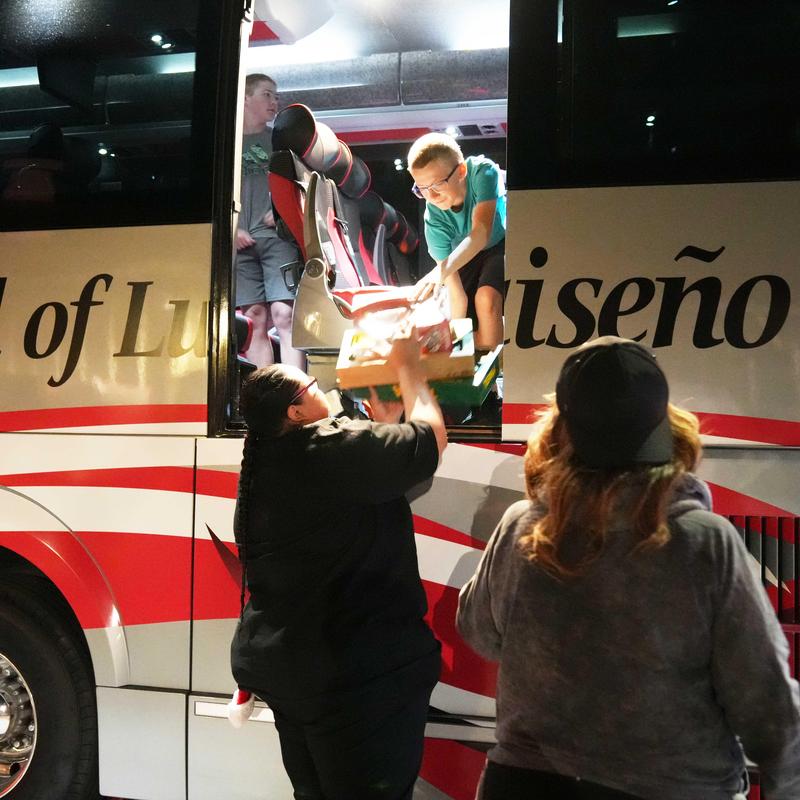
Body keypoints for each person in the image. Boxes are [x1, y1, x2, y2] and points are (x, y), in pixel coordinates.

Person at [457, 336, 800, 800]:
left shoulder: (523, 525)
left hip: (523, 784)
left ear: (560, 429)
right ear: (665, 424)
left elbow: (479, 632)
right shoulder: (704, 542)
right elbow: (767, 704)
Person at [230, 327, 447, 800]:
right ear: (295, 412)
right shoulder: (325, 448)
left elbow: (353, 498)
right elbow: (429, 441)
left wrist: (385, 424)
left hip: (295, 672)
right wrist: (409, 367)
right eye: (310, 386)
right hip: (355, 680)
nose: (320, 389)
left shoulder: (266, 460)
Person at [407, 132, 505, 351]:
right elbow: (457, 295)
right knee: (465, 318)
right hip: (461, 258)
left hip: (499, 244)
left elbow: (481, 233)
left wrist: (438, 272)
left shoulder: (482, 172)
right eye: (422, 189)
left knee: (486, 299)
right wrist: (454, 344)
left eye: (437, 184)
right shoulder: (434, 221)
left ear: (461, 171)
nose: (431, 197)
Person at [236, 73, 305, 369]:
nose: (274, 102)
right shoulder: (228, 144)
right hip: (240, 242)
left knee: (284, 314)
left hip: (277, 238)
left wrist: (280, 211)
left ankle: (295, 387)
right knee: (254, 318)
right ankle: (264, 388)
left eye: (276, 96)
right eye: (267, 94)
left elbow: (302, 185)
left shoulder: (279, 142)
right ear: (246, 98)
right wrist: (231, 228)